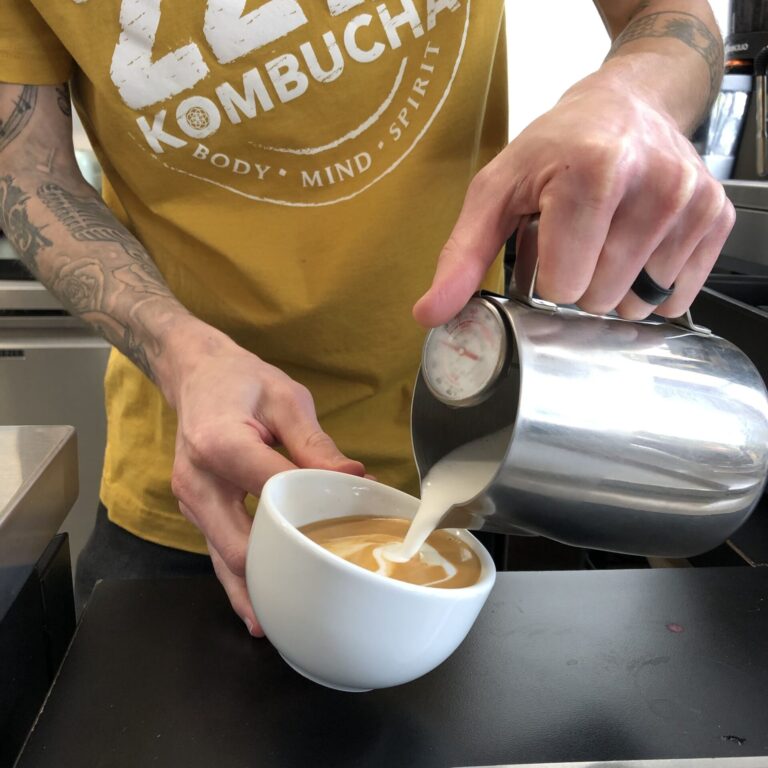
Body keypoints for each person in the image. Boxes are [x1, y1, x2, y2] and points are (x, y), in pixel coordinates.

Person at [0, 0, 732, 634]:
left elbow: (672, 17)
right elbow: (26, 168)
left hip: (463, 455)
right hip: (197, 480)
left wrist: (632, 95)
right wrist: (178, 351)